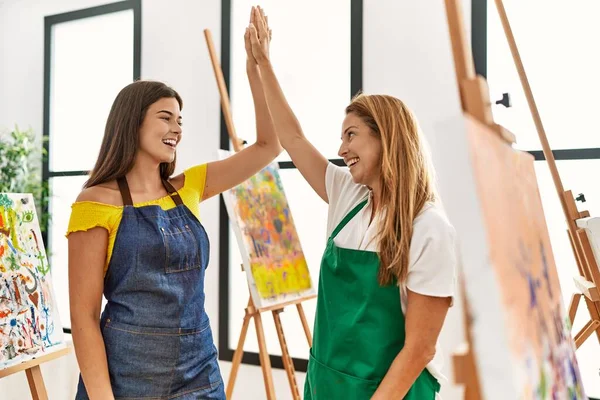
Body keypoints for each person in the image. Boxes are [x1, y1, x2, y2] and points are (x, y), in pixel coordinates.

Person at [67, 8, 279, 398]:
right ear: (132, 123)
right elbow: (83, 319)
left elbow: (269, 146)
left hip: (199, 372)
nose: (177, 129)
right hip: (129, 379)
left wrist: (256, 68)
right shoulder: (96, 204)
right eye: (166, 118)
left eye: (180, 120)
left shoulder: (190, 187)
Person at [246, 6, 457, 399]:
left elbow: (419, 350)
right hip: (329, 383)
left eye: (351, 135)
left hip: (392, 391)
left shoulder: (427, 227)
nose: (341, 149)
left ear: (386, 138)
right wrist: (262, 64)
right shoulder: (350, 196)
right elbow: (292, 138)